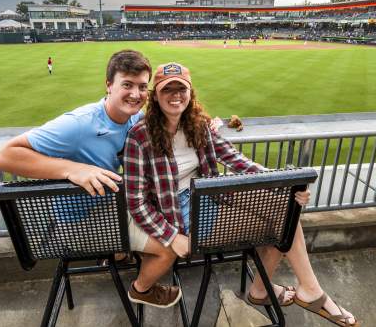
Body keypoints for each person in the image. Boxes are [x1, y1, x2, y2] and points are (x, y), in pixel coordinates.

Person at [124, 62, 359, 327]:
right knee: (284, 220)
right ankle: (284, 291)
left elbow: (236, 160)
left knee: (285, 207)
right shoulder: (139, 136)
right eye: (168, 89)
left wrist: (284, 183)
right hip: (179, 214)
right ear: (156, 95)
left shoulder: (197, 125)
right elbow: (136, 202)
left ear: (191, 94)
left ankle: (287, 289)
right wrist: (171, 236)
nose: (175, 95)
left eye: (182, 88)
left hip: (209, 195)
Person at [0, 49, 182, 309]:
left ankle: (118, 253)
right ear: (108, 85)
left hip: (106, 207)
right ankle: (142, 290)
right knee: (170, 244)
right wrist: (72, 169)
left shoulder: (133, 116)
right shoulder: (80, 124)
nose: (136, 94)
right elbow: (4, 157)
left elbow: (166, 120)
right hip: (79, 224)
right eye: (127, 85)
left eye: (141, 87)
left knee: (158, 210)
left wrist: (207, 124)